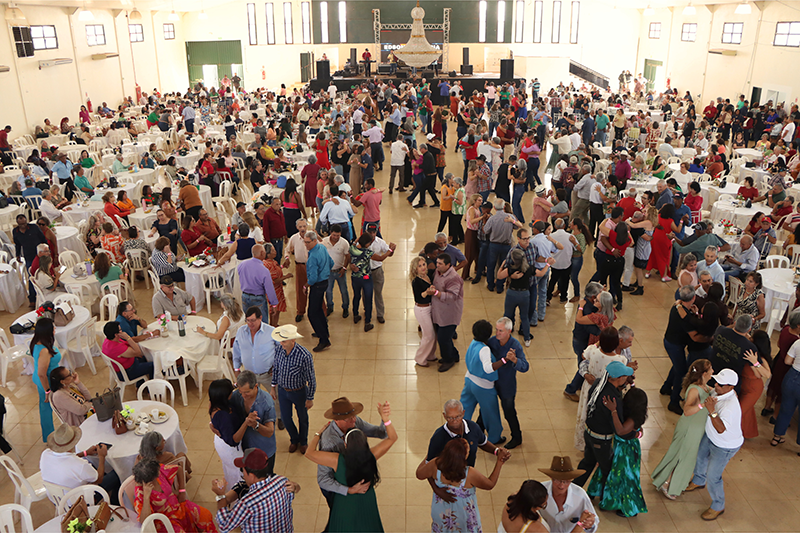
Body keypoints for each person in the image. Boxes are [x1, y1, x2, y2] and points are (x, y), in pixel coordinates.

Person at [305, 401, 396, 532]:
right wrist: (385, 419)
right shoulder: (371, 455)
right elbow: (324, 480)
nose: (355, 420)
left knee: (342, 524)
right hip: (352, 493)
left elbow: (309, 453)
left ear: (345, 445)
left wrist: (317, 434)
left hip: (345, 498)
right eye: (349, 418)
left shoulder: (336, 460)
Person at [686, 368, 744, 521]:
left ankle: (718, 505)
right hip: (710, 436)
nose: (716, 386)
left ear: (731, 387)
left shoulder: (730, 406)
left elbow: (720, 429)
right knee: (700, 456)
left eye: (721, 384)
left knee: (713, 476)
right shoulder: (719, 392)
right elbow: (712, 390)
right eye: (717, 382)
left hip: (724, 445)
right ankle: (698, 480)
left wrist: (711, 410)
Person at [416, 437, 506, 533]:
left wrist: (429, 455)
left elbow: (419, 474)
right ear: (464, 456)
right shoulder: (469, 473)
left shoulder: (435, 464)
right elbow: (490, 484)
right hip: (463, 516)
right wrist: (499, 462)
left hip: (441, 513)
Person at [652, 359, 713, 499]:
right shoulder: (694, 389)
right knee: (680, 456)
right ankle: (667, 483)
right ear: (704, 373)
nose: (712, 372)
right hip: (689, 428)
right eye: (710, 370)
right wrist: (702, 405)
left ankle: (669, 481)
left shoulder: (705, 387)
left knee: (686, 457)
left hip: (697, 428)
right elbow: (687, 410)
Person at [586, 387, 648, 517]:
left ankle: (628, 507)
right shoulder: (630, 415)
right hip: (618, 446)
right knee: (608, 469)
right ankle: (600, 493)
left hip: (626, 451)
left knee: (623, 477)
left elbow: (620, 430)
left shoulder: (632, 420)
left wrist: (613, 411)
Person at [574, 360, 634, 493]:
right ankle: (608, 498)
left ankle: (573, 488)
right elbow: (617, 425)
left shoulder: (598, 383)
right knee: (608, 469)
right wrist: (634, 434)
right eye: (624, 376)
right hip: (601, 440)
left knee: (587, 463)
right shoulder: (611, 399)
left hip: (589, 433)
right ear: (619, 378)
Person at [212, 448, 299, 533]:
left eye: (243, 470)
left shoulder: (247, 503)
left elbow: (224, 526)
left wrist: (220, 496)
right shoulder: (282, 481)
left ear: (252, 475)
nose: (243, 474)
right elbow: (292, 494)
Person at [574, 327, 630, 451]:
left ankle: (583, 442)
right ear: (616, 342)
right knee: (605, 417)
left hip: (590, 387)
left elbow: (583, 356)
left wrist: (598, 343)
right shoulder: (621, 360)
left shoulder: (593, 351)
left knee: (586, 413)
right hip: (607, 391)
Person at [40, 425, 120, 505]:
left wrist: (85, 453)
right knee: (118, 472)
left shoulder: (45, 454)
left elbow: (66, 459)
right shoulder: (80, 465)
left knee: (91, 469)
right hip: (80, 503)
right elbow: (99, 479)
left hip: (57, 499)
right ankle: (115, 503)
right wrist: (102, 456)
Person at [132, 460, 216, 532]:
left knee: (205, 515)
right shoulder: (141, 491)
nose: (160, 470)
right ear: (152, 477)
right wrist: (146, 496)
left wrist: (182, 491)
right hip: (165, 520)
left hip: (178, 506)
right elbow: (144, 520)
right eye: (158, 471)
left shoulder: (157, 470)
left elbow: (178, 469)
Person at [270, 324, 316, 454]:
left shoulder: (304, 356)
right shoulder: (279, 350)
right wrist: (273, 387)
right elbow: (276, 368)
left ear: (293, 340)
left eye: (284, 341)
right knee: (285, 418)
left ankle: (304, 441)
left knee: (303, 418)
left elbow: (311, 379)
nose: (281, 343)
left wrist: (310, 398)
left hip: (299, 392)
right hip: (283, 391)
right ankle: (294, 439)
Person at [459, 320, 504, 446]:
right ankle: (494, 438)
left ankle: (459, 433)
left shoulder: (473, 343)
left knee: (464, 409)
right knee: (490, 412)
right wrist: (504, 361)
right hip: (483, 386)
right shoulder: (484, 349)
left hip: (469, 380)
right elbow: (488, 368)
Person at [486, 317, 529, 449]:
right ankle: (477, 432)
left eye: (501, 331)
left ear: (509, 331)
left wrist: (515, 360)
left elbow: (525, 367)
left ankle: (517, 437)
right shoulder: (491, 342)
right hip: (491, 383)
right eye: (496, 330)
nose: (497, 333)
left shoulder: (515, 346)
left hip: (507, 385)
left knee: (509, 411)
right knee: (486, 408)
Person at [230, 370, 277, 474]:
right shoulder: (236, 396)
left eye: (247, 392)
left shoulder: (267, 402)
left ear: (256, 386)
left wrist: (256, 425)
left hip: (264, 450)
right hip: (245, 450)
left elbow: (269, 432)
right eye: (241, 392)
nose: (243, 395)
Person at [537, 456, 598, 533]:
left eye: (566, 481)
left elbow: (594, 521)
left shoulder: (580, 495)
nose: (561, 485)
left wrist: (589, 524)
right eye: (558, 480)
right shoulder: (539, 490)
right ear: (551, 477)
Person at [432, 253, 465, 373]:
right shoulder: (438, 272)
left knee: (443, 338)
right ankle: (454, 355)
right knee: (444, 336)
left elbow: (453, 296)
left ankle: (448, 360)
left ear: (448, 265)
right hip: (440, 310)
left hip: (450, 313)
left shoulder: (453, 278)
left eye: (440, 264)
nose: (437, 266)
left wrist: (436, 293)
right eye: (437, 263)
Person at [31, 318, 61, 442]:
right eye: (53, 328)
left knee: (45, 408)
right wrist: (48, 390)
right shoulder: (44, 350)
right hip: (46, 382)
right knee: (47, 408)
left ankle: (48, 436)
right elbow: (42, 374)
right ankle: (50, 437)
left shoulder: (37, 342)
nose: (55, 329)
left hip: (43, 380)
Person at [305, 230, 334, 351]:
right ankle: (324, 331)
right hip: (325, 282)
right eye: (305, 242)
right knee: (319, 309)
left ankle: (324, 340)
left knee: (312, 313)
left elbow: (313, 277)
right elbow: (331, 263)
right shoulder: (322, 248)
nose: (306, 245)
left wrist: (306, 285)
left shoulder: (313, 256)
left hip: (316, 285)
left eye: (308, 242)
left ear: (315, 240)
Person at [740, 330, 771, 439]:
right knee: (747, 410)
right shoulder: (749, 348)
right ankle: (747, 432)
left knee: (741, 410)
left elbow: (767, 374)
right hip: (743, 383)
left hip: (753, 388)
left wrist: (755, 363)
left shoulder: (760, 358)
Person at [238, 244, 279, 320]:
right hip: (258, 299)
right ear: (262, 253)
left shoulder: (242, 264)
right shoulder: (264, 270)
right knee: (261, 323)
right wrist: (273, 304)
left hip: (245, 297)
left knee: (249, 321)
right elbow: (269, 289)